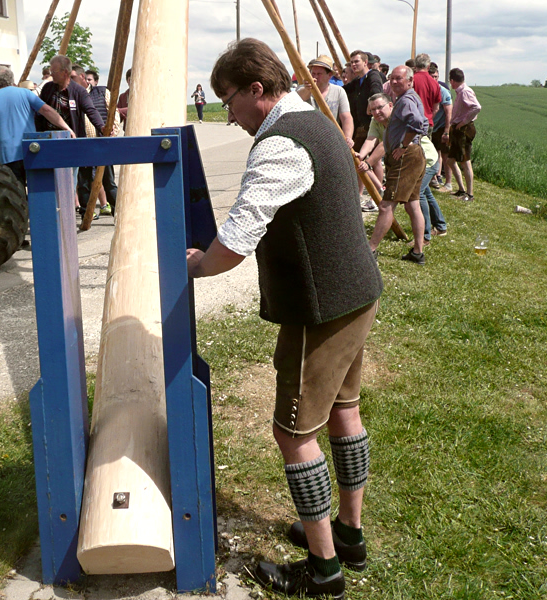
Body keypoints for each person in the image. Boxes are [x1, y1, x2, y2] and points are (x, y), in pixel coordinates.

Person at [186, 38, 382, 600]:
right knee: (344, 412)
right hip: (356, 294)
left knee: (293, 433)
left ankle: (324, 571)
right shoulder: (315, 119)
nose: (229, 115)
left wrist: (195, 265)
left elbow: (238, 238)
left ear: (257, 89)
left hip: (319, 309)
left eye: (230, 101)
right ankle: (348, 535)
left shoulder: (280, 143)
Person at [358, 93, 447, 249]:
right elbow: (371, 139)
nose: (376, 112)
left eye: (380, 107)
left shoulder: (397, 119)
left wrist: (368, 162)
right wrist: (361, 155)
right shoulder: (376, 121)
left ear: (390, 105)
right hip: (411, 159)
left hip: (425, 159)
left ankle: (425, 237)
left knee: (409, 199)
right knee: (413, 201)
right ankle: (426, 241)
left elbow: (383, 146)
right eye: (372, 109)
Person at [366, 66, 429, 265]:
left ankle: (370, 250)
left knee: (386, 205)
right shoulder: (408, 98)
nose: (394, 82)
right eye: (391, 78)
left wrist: (403, 145)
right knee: (412, 204)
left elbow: (418, 123)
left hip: (406, 157)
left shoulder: (406, 100)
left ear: (409, 81)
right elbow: (423, 123)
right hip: (413, 155)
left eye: (399, 79)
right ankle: (417, 252)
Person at [0, 66, 74, 185]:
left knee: (16, 192)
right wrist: (67, 128)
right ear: (12, 79)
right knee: (37, 189)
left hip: (7, 155)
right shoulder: (25, 93)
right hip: (30, 150)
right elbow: (47, 110)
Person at [36, 55, 106, 196]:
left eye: (54, 72)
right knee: (49, 182)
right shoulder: (48, 88)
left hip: (70, 142)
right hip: (49, 142)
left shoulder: (78, 91)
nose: (51, 75)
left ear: (65, 73)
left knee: (69, 183)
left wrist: (102, 127)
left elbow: (91, 111)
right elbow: (39, 112)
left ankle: (67, 207)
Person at [78, 69, 119, 217]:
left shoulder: (102, 92)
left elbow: (113, 112)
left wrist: (113, 132)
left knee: (108, 181)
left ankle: (117, 211)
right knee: (84, 182)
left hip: (102, 143)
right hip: (83, 144)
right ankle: (86, 213)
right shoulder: (73, 94)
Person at [296, 55, 353, 148]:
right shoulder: (303, 89)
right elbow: (300, 97)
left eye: (319, 74)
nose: (315, 77)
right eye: (313, 73)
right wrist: (307, 89)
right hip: (307, 140)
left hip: (331, 140)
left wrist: (347, 138)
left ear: (329, 75)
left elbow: (346, 117)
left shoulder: (339, 91)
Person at [446, 68, 481, 202]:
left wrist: (464, 122)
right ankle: (461, 189)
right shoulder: (460, 92)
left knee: (465, 161)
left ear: (452, 81)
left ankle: (470, 194)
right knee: (450, 160)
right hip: (458, 129)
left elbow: (476, 107)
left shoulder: (465, 91)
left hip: (464, 130)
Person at [342, 50, 384, 151]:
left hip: (371, 125)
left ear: (365, 62)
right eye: (352, 62)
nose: (353, 64)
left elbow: (376, 90)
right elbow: (343, 90)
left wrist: (371, 105)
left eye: (356, 61)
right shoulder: (358, 80)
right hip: (361, 126)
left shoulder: (373, 75)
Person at [412, 53, 441, 136]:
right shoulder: (435, 83)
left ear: (415, 66)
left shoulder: (411, 80)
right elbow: (436, 108)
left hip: (412, 123)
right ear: (428, 67)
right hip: (427, 123)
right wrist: (428, 118)